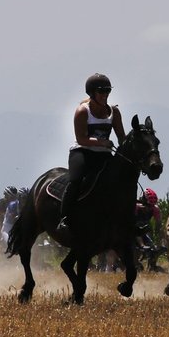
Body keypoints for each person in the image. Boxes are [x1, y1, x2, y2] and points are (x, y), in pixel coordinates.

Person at [58, 73, 126, 233]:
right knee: (76, 180)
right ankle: (64, 218)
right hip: (82, 152)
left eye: (107, 91)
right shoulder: (82, 111)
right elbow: (81, 139)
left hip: (103, 154)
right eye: (102, 91)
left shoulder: (114, 112)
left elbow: (122, 137)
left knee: (121, 180)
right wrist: (102, 142)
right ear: (92, 93)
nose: (105, 95)